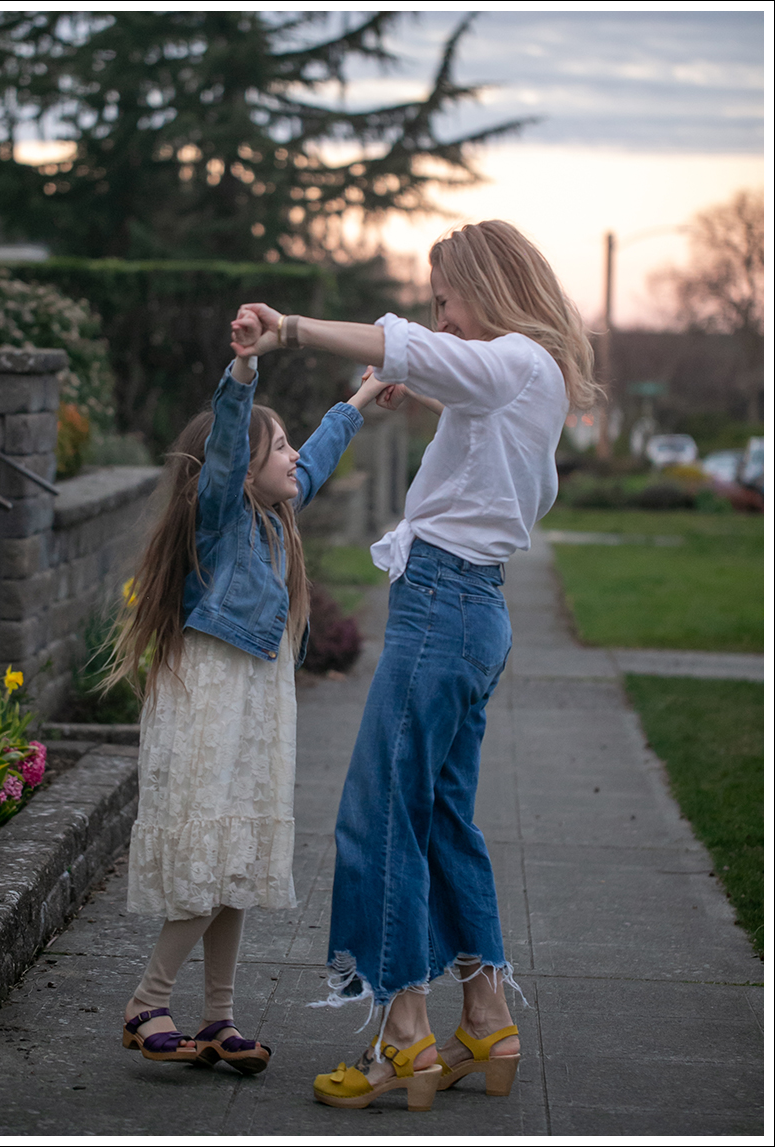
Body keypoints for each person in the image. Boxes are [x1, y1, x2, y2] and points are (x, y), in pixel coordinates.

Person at [230, 219, 598, 1112]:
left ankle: (403, 1038)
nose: (439, 317)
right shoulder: (532, 379)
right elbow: (460, 398)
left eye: (445, 299)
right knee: (437, 818)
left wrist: (292, 329)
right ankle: (485, 1016)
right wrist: (403, 384)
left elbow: (419, 346)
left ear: (487, 286)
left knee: (378, 818)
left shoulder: (510, 358)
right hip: (476, 610)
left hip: (441, 607)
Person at [108, 343, 389, 1076]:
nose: (295, 456)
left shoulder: (275, 518)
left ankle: (220, 1015)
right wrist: (241, 375)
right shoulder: (223, 517)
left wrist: (362, 398)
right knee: (214, 854)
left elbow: (318, 458)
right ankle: (148, 998)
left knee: (235, 857)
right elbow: (230, 446)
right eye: (282, 445)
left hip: (257, 702)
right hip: (210, 699)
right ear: (243, 467)